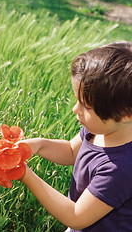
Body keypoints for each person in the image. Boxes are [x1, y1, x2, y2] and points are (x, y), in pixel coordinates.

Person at [19, 41, 132, 231]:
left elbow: (75, 216)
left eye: (86, 106)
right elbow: (71, 151)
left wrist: (25, 174)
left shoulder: (120, 169)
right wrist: (38, 145)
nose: (75, 109)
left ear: (126, 113)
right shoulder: (99, 130)